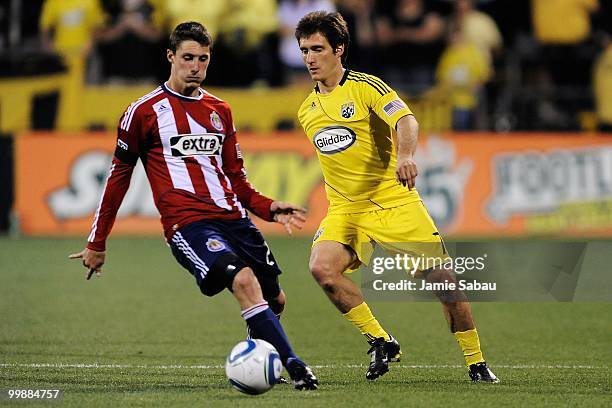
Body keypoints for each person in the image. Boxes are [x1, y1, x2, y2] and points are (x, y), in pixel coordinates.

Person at [69, 21, 318, 391]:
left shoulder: (220, 110)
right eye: (188, 57)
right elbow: (117, 179)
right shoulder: (143, 112)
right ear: (170, 57)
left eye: (203, 58)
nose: (196, 66)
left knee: (275, 297)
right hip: (189, 225)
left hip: (235, 219)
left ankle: (260, 361)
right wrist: (97, 241)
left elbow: (237, 180)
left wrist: (268, 209)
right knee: (243, 280)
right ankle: (294, 365)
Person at [295, 11, 499, 383]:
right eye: (304, 50)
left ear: (338, 49)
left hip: (393, 201)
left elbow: (406, 120)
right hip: (346, 209)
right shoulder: (306, 111)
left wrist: (404, 155)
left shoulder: (366, 87)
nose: (309, 58)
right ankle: (381, 340)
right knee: (322, 268)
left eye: (317, 49)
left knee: (445, 284)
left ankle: (476, 363)